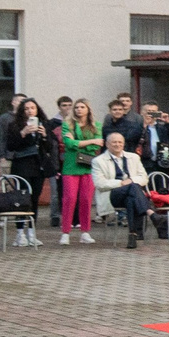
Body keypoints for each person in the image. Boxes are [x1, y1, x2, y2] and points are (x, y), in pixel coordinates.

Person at [91, 133, 162, 247]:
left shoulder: (133, 157)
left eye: (120, 142)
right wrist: (121, 183)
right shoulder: (98, 161)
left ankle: (132, 235)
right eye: (114, 142)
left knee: (131, 199)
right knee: (133, 187)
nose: (117, 144)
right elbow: (100, 184)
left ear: (123, 144)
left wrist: (131, 180)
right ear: (107, 144)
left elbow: (144, 178)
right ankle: (151, 213)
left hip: (131, 195)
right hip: (112, 195)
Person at [0, 98, 54, 240]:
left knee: (34, 198)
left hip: (38, 166)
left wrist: (44, 136)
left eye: (33, 108)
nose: (30, 111)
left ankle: (31, 232)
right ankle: (19, 233)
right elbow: (11, 146)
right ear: (22, 111)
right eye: (27, 108)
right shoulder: (15, 125)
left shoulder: (44, 124)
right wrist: (23, 133)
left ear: (37, 110)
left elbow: (49, 147)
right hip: (22, 165)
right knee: (22, 198)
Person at [56, 100, 101, 244]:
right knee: (69, 198)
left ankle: (85, 232)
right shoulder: (67, 125)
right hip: (71, 166)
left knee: (86, 200)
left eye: (82, 107)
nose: (79, 109)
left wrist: (78, 143)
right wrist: (90, 142)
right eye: (76, 107)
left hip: (88, 166)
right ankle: (65, 232)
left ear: (88, 109)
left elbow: (97, 146)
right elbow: (68, 145)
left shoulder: (96, 126)